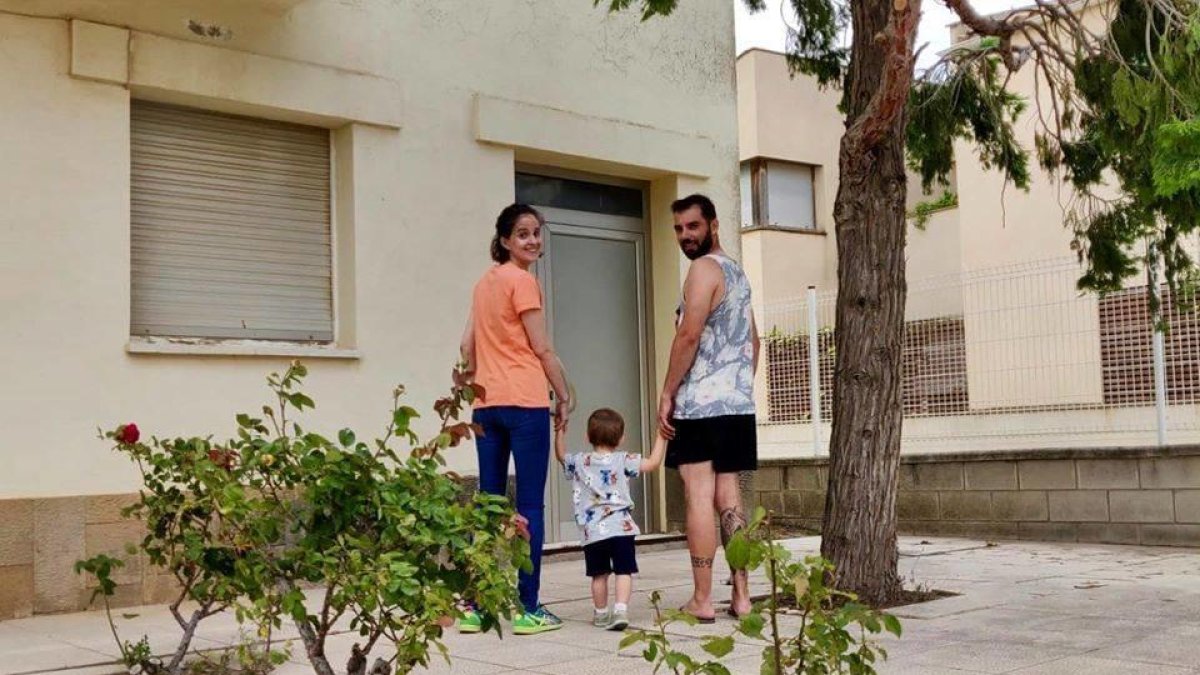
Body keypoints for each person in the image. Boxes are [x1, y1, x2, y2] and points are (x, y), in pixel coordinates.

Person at [458, 203, 570, 635]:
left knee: (487, 504)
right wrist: (563, 395)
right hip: (525, 403)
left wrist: (475, 382)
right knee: (528, 505)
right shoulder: (523, 281)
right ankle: (527, 607)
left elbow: (466, 345)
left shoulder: (483, 284)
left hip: (486, 405)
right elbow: (541, 348)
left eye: (536, 233)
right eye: (523, 234)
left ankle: (476, 605)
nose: (532, 240)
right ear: (505, 240)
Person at [658, 194, 759, 622]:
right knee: (730, 499)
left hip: (700, 405)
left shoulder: (702, 270)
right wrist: (735, 385)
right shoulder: (737, 273)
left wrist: (668, 392)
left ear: (713, 225)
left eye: (693, 227)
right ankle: (741, 595)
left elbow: (688, 336)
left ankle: (702, 599)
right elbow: (754, 342)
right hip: (736, 404)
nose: (685, 236)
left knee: (699, 497)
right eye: (679, 229)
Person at [555, 408, 666, 631]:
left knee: (598, 575)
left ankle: (601, 613)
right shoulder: (623, 460)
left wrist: (560, 431)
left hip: (592, 531)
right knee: (624, 571)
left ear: (588, 437)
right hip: (620, 528)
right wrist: (661, 435)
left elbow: (560, 455)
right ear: (621, 438)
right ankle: (621, 609)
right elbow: (653, 463)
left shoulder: (580, 461)